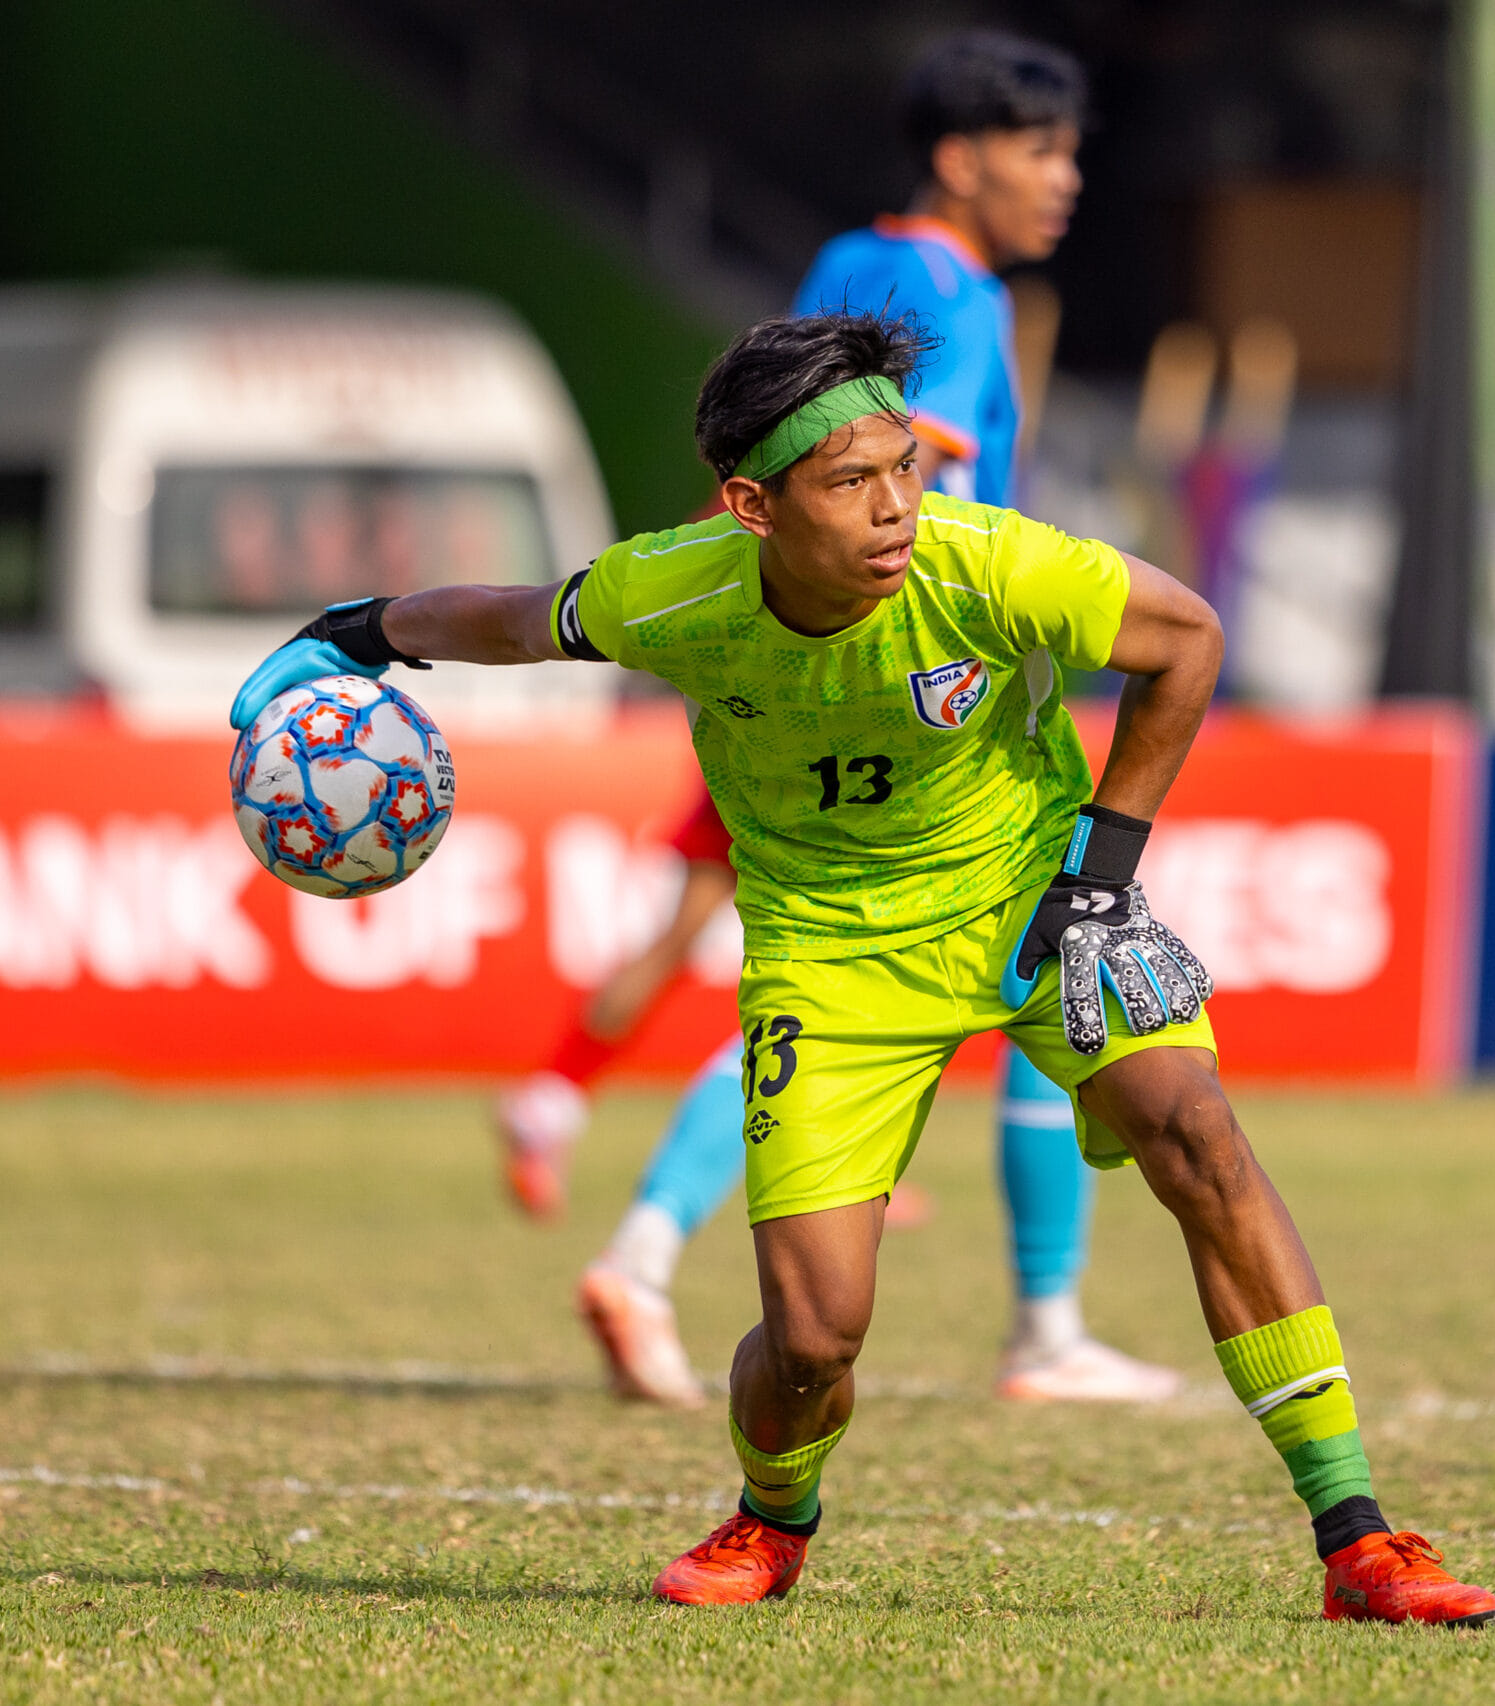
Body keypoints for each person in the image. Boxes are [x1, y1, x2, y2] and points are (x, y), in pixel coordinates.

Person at [229, 310, 1495, 1625]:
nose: (898, 505)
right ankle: (773, 1516)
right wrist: (357, 631)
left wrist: (1102, 871)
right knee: (815, 1335)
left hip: (1032, 900)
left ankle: (1359, 1537)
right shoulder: (676, 590)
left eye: (904, 464)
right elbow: (511, 618)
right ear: (753, 505)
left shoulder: (984, 561)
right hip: (829, 956)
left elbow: (1185, 639)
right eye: (851, 481)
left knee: (1200, 1139)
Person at [503, 28, 1176, 1407]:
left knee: (817, 992)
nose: (1065, 182)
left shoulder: (844, 271)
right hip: (893, 692)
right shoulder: (950, 299)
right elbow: (892, 504)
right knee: (1032, 949)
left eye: (1072, 153)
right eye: (1041, 152)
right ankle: (1043, 1322)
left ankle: (629, 1224)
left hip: (772, 663)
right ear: (959, 158)